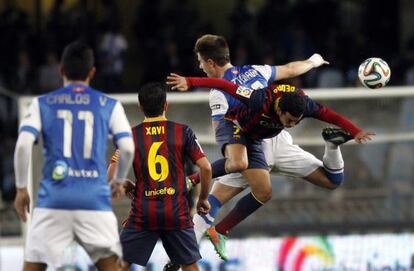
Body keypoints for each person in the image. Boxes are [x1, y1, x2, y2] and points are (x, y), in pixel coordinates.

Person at [164, 34, 370, 264]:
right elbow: (291, 69)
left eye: (201, 62)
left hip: (262, 140)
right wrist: (312, 61)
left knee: (330, 181)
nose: (200, 66)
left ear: (211, 62)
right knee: (234, 192)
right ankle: (190, 248)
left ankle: (184, 249)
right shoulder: (256, 71)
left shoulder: (220, 94)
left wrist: (230, 153)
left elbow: (220, 125)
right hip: (259, 143)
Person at [13, 41, 135, 270]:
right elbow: (127, 147)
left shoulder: (42, 103)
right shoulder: (109, 105)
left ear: (61, 71)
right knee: (111, 266)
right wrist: (118, 182)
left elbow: (22, 145)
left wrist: (21, 189)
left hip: (53, 201)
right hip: (94, 201)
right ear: (92, 72)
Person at [110, 82, 212, 271]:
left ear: (140, 107)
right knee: (189, 265)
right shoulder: (183, 131)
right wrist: (202, 199)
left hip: (144, 213)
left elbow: (111, 176)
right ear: (166, 105)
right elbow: (206, 168)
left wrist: (125, 184)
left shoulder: (130, 136)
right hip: (176, 212)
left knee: (120, 265)